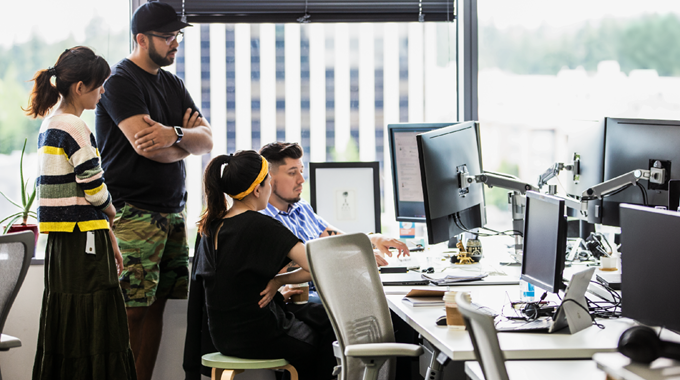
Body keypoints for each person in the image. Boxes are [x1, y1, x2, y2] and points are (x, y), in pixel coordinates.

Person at [94, 3, 213, 380]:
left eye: (177, 35)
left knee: (158, 304)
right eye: (167, 37)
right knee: (132, 309)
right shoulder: (120, 82)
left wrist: (175, 134)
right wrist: (182, 143)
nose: (175, 43)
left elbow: (207, 140)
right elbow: (146, 146)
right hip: (134, 212)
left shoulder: (173, 84)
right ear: (141, 39)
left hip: (172, 212)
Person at [26, 46, 136, 380]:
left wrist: (108, 235)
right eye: (99, 85)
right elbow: (92, 184)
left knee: (67, 321)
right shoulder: (75, 127)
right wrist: (111, 211)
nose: (103, 92)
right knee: (96, 320)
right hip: (83, 239)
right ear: (79, 88)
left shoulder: (50, 124)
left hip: (63, 243)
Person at [192, 151, 336, 380]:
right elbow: (317, 265)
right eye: (268, 181)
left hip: (222, 338)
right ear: (258, 189)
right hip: (260, 336)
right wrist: (280, 280)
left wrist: (278, 281)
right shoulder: (261, 225)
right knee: (326, 334)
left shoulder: (212, 226)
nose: (270, 188)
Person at [259, 142, 410, 267]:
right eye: (292, 173)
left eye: (301, 171)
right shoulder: (261, 220)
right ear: (269, 179)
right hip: (303, 297)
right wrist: (353, 256)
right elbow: (282, 268)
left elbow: (336, 238)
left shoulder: (301, 208)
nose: (301, 180)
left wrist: (372, 240)